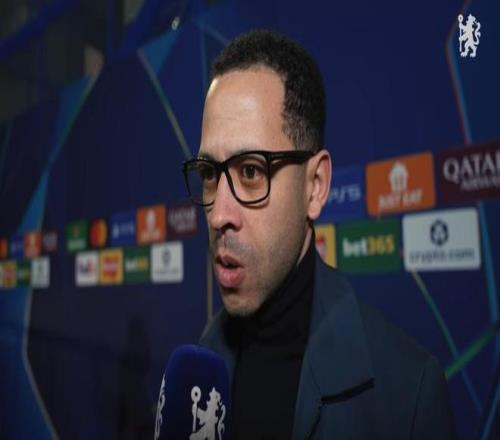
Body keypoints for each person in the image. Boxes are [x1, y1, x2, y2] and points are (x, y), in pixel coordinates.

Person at [183, 29, 457, 439]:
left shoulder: (409, 394)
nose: (219, 214)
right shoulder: (198, 369)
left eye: (251, 171)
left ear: (315, 187)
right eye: (209, 173)